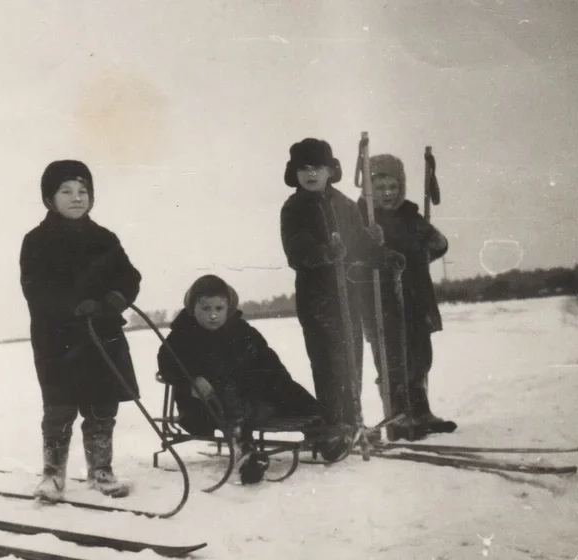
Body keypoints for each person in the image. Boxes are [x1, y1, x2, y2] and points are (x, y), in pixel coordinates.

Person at [20, 160, 142, 502]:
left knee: (102, 406)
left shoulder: (105, 238)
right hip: (57, 341)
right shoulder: (36, 241)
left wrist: (111, 302)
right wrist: (73, 306)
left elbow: (130, 278)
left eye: (83, 191)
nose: (77, 198)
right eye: (67, 191)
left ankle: (100, 469)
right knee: (58, 409)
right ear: (49, 198)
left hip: (102, 336)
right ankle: (53, 475)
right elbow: (35, 288)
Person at [157, 275, 354, 482]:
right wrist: (191, 382)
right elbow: (167, 365)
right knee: (229, 392)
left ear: (228, 307)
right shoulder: (182, 336)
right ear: (192, 308)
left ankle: (321, 436)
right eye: (205, 309)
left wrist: (281, 386)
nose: (213, 316)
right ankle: (245, 454)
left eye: (218, 308)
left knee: (283, 387)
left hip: (249, 400)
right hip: (203, 409)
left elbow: (268, 361)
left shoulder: (242, 331)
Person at [279, 138, 405, 435]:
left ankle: (353, 420)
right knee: (328, 362)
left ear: (330, 170)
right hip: (317, 298)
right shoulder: (294, 208)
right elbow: (296, 251)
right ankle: (335, 425)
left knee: (352, 360)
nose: (311, 174)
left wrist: (384, 258)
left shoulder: (346, 205)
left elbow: (361, 245)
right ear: (294, 173)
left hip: (347, 296)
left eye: (317, 168)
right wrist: (324, 253)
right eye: (304, 169)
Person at [358, 154, 457, 439]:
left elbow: (437, 245)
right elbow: (356, 254)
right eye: (380, 187)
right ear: (368, 188)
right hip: (381, 299)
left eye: (393, 187)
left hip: (414, 296)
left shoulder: (410, 215)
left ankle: (420, 412)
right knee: (391, 359)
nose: (387, 193)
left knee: (419, 356)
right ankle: (398, 417)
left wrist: (428, 248)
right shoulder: (361, 217)